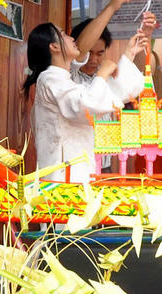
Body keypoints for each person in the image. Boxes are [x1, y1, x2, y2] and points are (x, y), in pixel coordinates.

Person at [24, 21, 150, 183]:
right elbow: (88, 105)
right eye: (63, 35)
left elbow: (107, 95)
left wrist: (129, 54)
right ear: (54, 47)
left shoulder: (64, 81)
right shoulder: (50, 79)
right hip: (62, 176)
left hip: (77, 173)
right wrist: (102, 74)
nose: (71, 39)